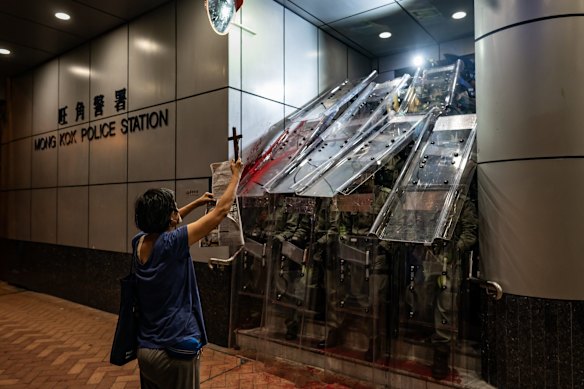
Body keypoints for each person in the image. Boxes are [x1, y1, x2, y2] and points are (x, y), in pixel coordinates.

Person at [132, 159, 242, 389]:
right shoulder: (172, 243)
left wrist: (197, 202)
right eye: (174, 208)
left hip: (146, 350)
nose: (177, 211)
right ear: (169, 216)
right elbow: (221, 211)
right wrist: (236, 176)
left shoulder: (140, 242)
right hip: (175, 351)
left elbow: (165, 220)